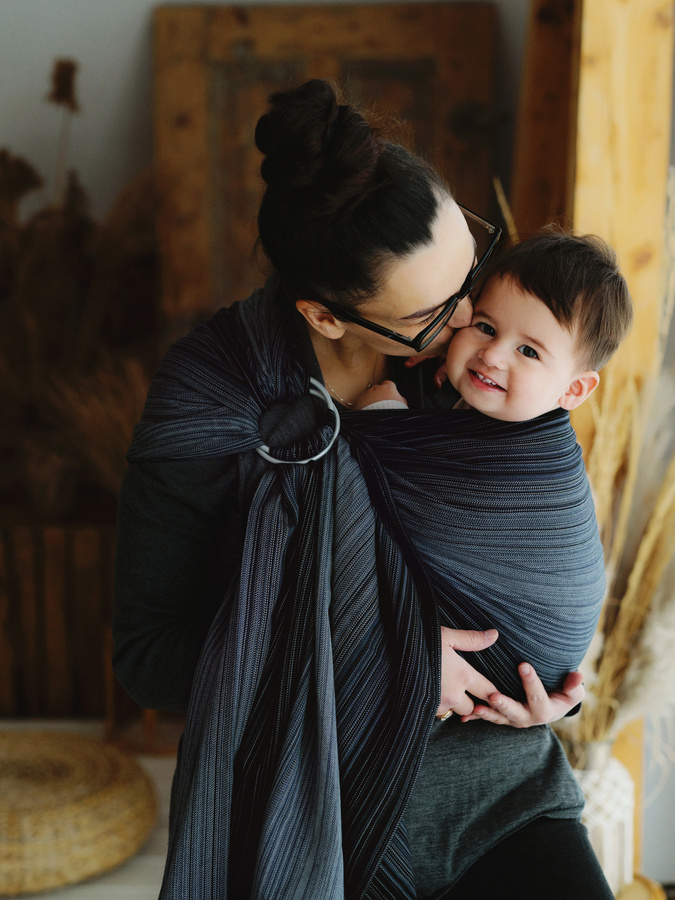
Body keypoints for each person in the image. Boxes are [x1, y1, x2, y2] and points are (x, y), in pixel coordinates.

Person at [113, 79, 611, 899]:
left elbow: (526, 550)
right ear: (326, 315)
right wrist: (385, 655)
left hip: (509, 796)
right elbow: (147, 657)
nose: (472, 332)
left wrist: (548, 684)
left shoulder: (481, 363)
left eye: (472, 280)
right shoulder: (212, 407)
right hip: (315, 823)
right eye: (438, 313)